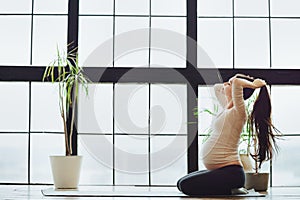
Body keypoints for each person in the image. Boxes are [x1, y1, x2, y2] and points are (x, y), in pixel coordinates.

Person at [177, 74, 279, 196]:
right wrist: (233, 83)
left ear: (238, 90)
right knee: (180, 182)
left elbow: (236, 82)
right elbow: (217, 87)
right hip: (222, 171)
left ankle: (229, 190)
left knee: (185, 186)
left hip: (231, 173)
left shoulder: (239, 112)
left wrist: (253, 85)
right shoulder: (227, 107)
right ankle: (229, 190)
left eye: (229, 83)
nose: (226, 84)